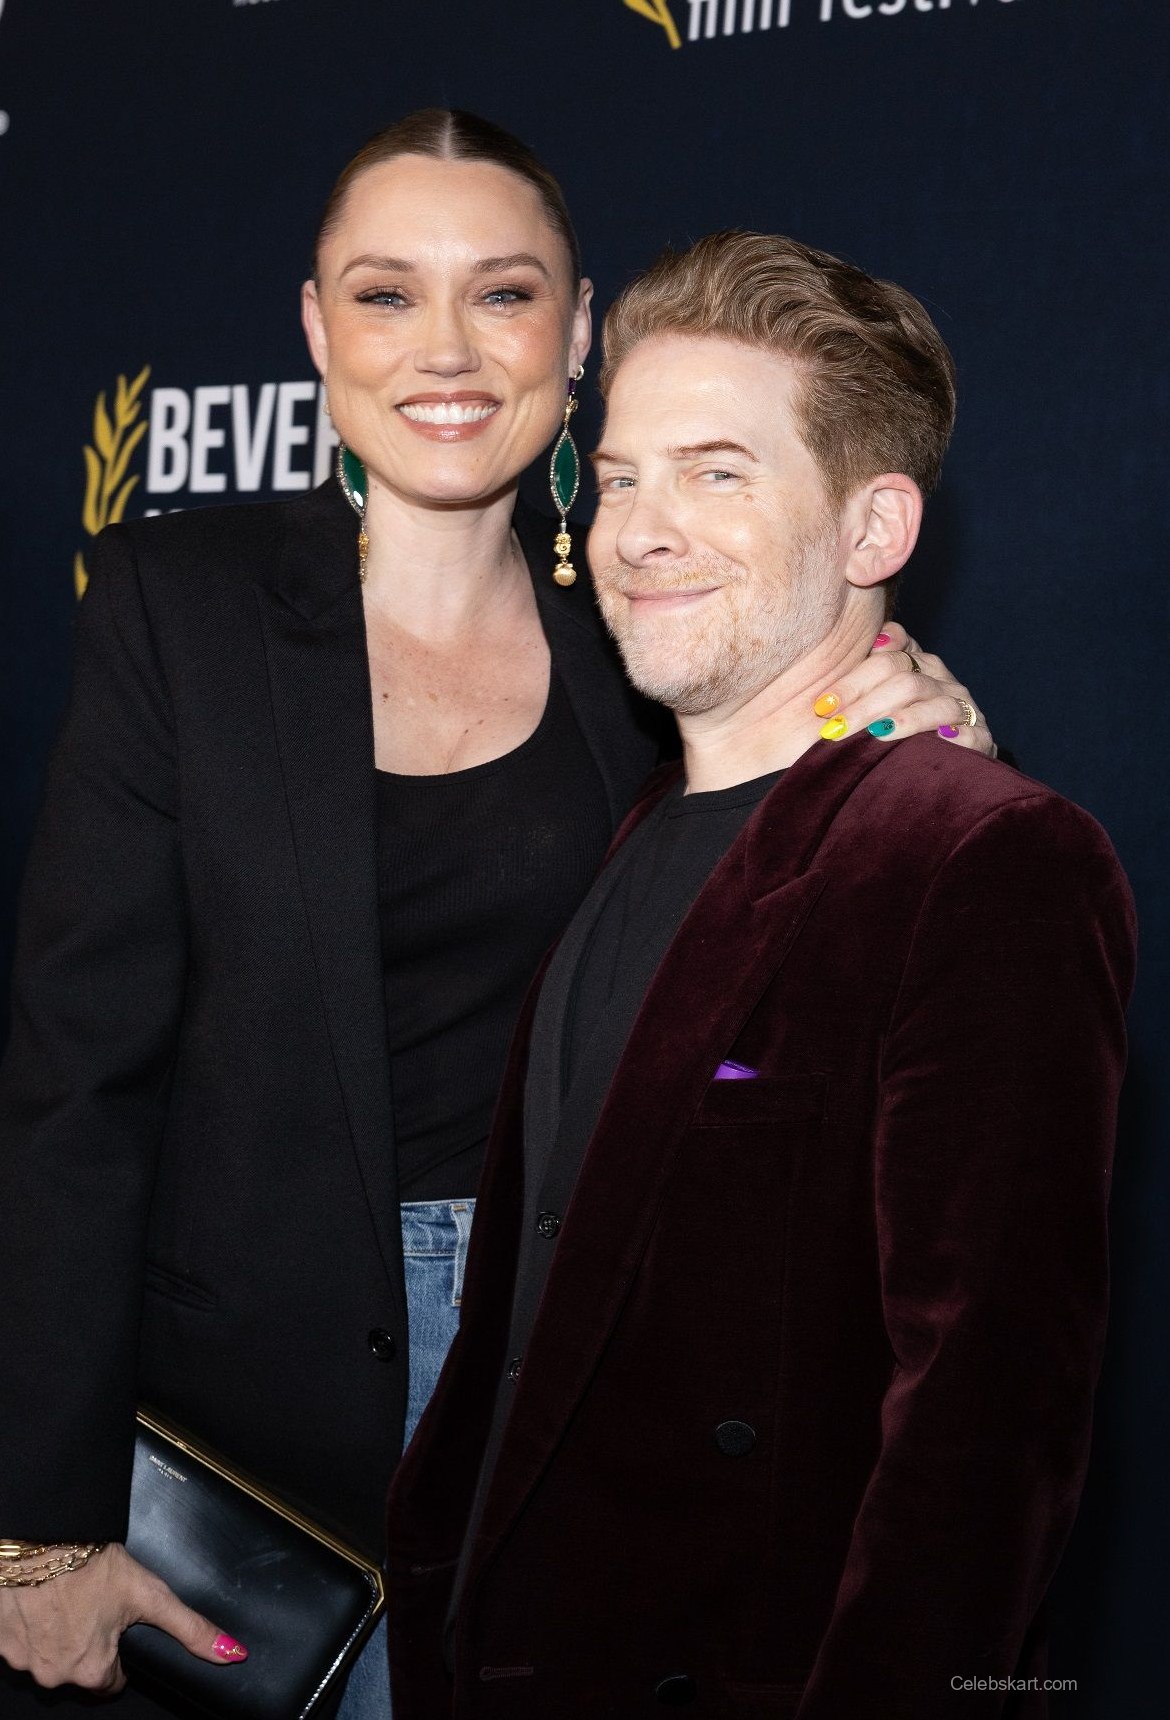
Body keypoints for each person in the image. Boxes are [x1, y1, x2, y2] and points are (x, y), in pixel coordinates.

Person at [0, 114, 995, 1719]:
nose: (447, 349)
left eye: (505, 293)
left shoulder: (652, 626)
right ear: (317, 327)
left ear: (579, 330)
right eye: (386, 294)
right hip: (250, 1408)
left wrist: (917, 710)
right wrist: (38, 1527)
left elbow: (801, 893)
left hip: (580, 1362)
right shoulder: (179, 608)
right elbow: (74, 1087)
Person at [383, 231, 1137, 1719]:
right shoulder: (634, 830)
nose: (641, 531)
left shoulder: (983, 857)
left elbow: (990, 1427)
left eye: (717, 474)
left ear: (873, 530)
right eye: (621, 479)